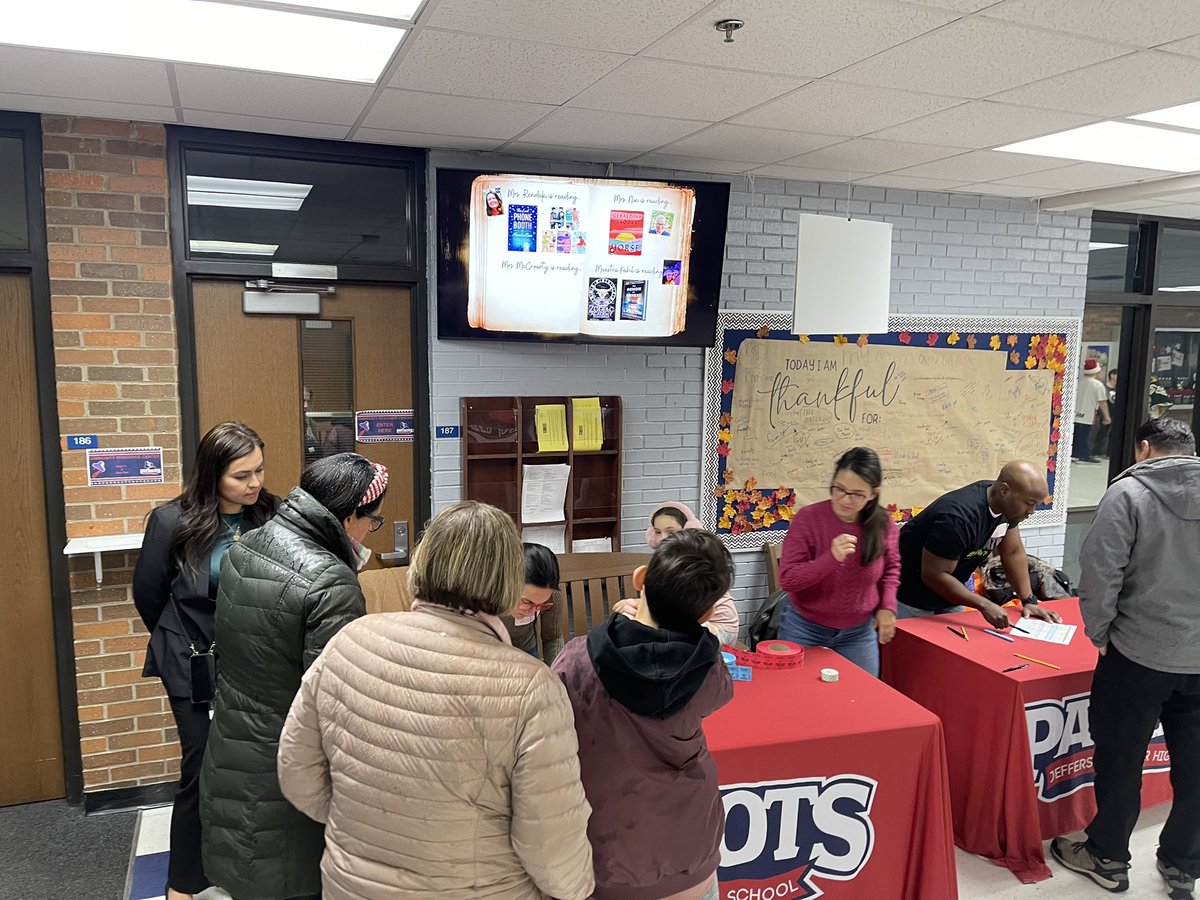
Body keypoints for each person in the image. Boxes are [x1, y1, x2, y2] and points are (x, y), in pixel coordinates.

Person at [278, 501, 594, 899]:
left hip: (353, 884)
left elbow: (296, 771)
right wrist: (580, 890)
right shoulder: (532, 688)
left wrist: (365, 832)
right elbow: (551, 842)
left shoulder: (349, 641)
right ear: (507, 581)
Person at [201, 453, 387, 900]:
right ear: (348, 517)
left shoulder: (246, 546)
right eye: (372, 521)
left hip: (231, 747)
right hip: (288, 775)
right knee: (290, 882)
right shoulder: (331, 582)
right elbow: (333, 708)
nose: (369, 532)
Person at [1051, 417, 1200, 899]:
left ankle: (1108, 856)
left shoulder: (1129, 494)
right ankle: (1183, 864)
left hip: (1138, 652)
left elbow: (1099, 571)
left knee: (1121, 757)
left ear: (1143, 447)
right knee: (1197, 765)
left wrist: (1098, 634)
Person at [132, 421, 276, 900]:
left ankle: (236, 866)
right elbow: (148, 596)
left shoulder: (269, 514)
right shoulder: (171, 521)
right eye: (241, 475)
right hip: (192, 661)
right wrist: (189, 638)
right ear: (212, 475)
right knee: (201, 769)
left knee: (249, 766)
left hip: (253, 661)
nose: (254, 483)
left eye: (259, 470)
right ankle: (184, 883)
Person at [552, 529, 735, 900]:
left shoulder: (578, 659)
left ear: (640, 579)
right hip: (689, 851)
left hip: (607, 855)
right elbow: (718, 693)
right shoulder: (709, 668)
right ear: (709, 612)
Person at [776, 447, 900, 677]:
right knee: (795, 697)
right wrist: (830, 559)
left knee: (861, 699)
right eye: (839, 489)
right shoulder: (808, 519)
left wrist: (887, 607)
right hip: (805, 627)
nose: (844, 499)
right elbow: (788, 580)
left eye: (856, 494)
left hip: (858, 633)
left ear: (872, 494)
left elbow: (891, 570)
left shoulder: (883, 524)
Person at [896, 460, 1063, 628]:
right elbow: (934, 575)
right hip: (910, 594)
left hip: (949, 594)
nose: (1032, 511)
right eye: (1030, 503)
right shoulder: (957, 518)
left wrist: (1029, 600)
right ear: (1004, 490)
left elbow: (1012, 552)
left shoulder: (1006, 507)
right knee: (913, 650)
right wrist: (984, 604)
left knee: (954, 646)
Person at [612, 502, 739, 645]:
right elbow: (671, 601)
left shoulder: (696, 566)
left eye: (671, 532)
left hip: (717, 633)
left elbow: (678, 606)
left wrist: (639, 609)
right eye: (657, 532)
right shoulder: (669, 561)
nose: (662, 538)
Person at [502, 542, 565, 665]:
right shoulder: (486, 594)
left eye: (541, 605)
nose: (532, 611)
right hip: (491, 651)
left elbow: (552, 638)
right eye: (527, 602)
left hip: (526, 650)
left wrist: (557, 673)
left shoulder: (552, 597)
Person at [1074, 358, 1111, 464]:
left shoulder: (1079, 382)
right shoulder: (1097, 385)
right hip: (1087, 414)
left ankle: (1076, 454)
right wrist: (1107, 417)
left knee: (1077, 435)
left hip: (1075, 414)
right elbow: (1102, 402)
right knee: (1085, 436)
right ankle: (1084, 455)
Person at [1092, 368, 1118, 459]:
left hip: (1116, 413)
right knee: (1102, 432)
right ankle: (1097, 451)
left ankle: (1109, 452)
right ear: (1112, 375)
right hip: (1105, 412)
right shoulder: (1104, 387)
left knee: (1113, 433)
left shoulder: (1119, 388)